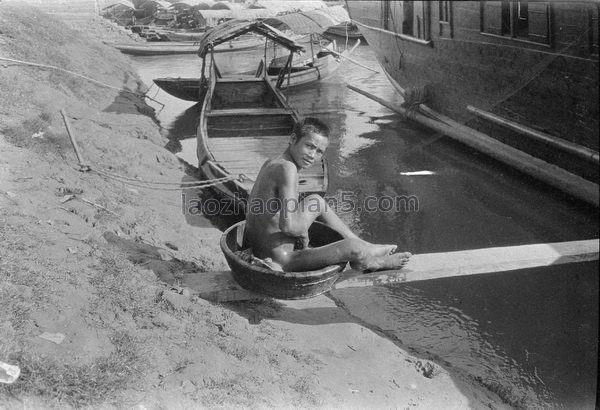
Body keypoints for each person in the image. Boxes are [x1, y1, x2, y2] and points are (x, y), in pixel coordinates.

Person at [245, 117, 411, 272]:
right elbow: (288, 226)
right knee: (353, 248)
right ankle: (371, 262)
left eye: (319, 151)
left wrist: (301, 229)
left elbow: (286, 218)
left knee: (316, 200)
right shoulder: (287, 169)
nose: (312, 155)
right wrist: (303, 232)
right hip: (282, 259)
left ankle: (367, 245)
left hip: (263, 248)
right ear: (293, 139)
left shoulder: (273, 163)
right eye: (309, 146)